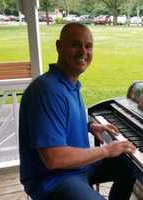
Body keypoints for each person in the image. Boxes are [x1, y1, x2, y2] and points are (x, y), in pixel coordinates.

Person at [19, 22, 136, 200]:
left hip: (77, 168)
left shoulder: (69, 83)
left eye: (88, 46)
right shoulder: (47, 91)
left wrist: (90, 125)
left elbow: (64, 119)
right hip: (53, 180)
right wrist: (106, 150)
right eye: (75, 45)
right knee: (116, 154)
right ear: (59, 47)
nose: (83, 52)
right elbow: (54, 159)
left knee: (128, 164)